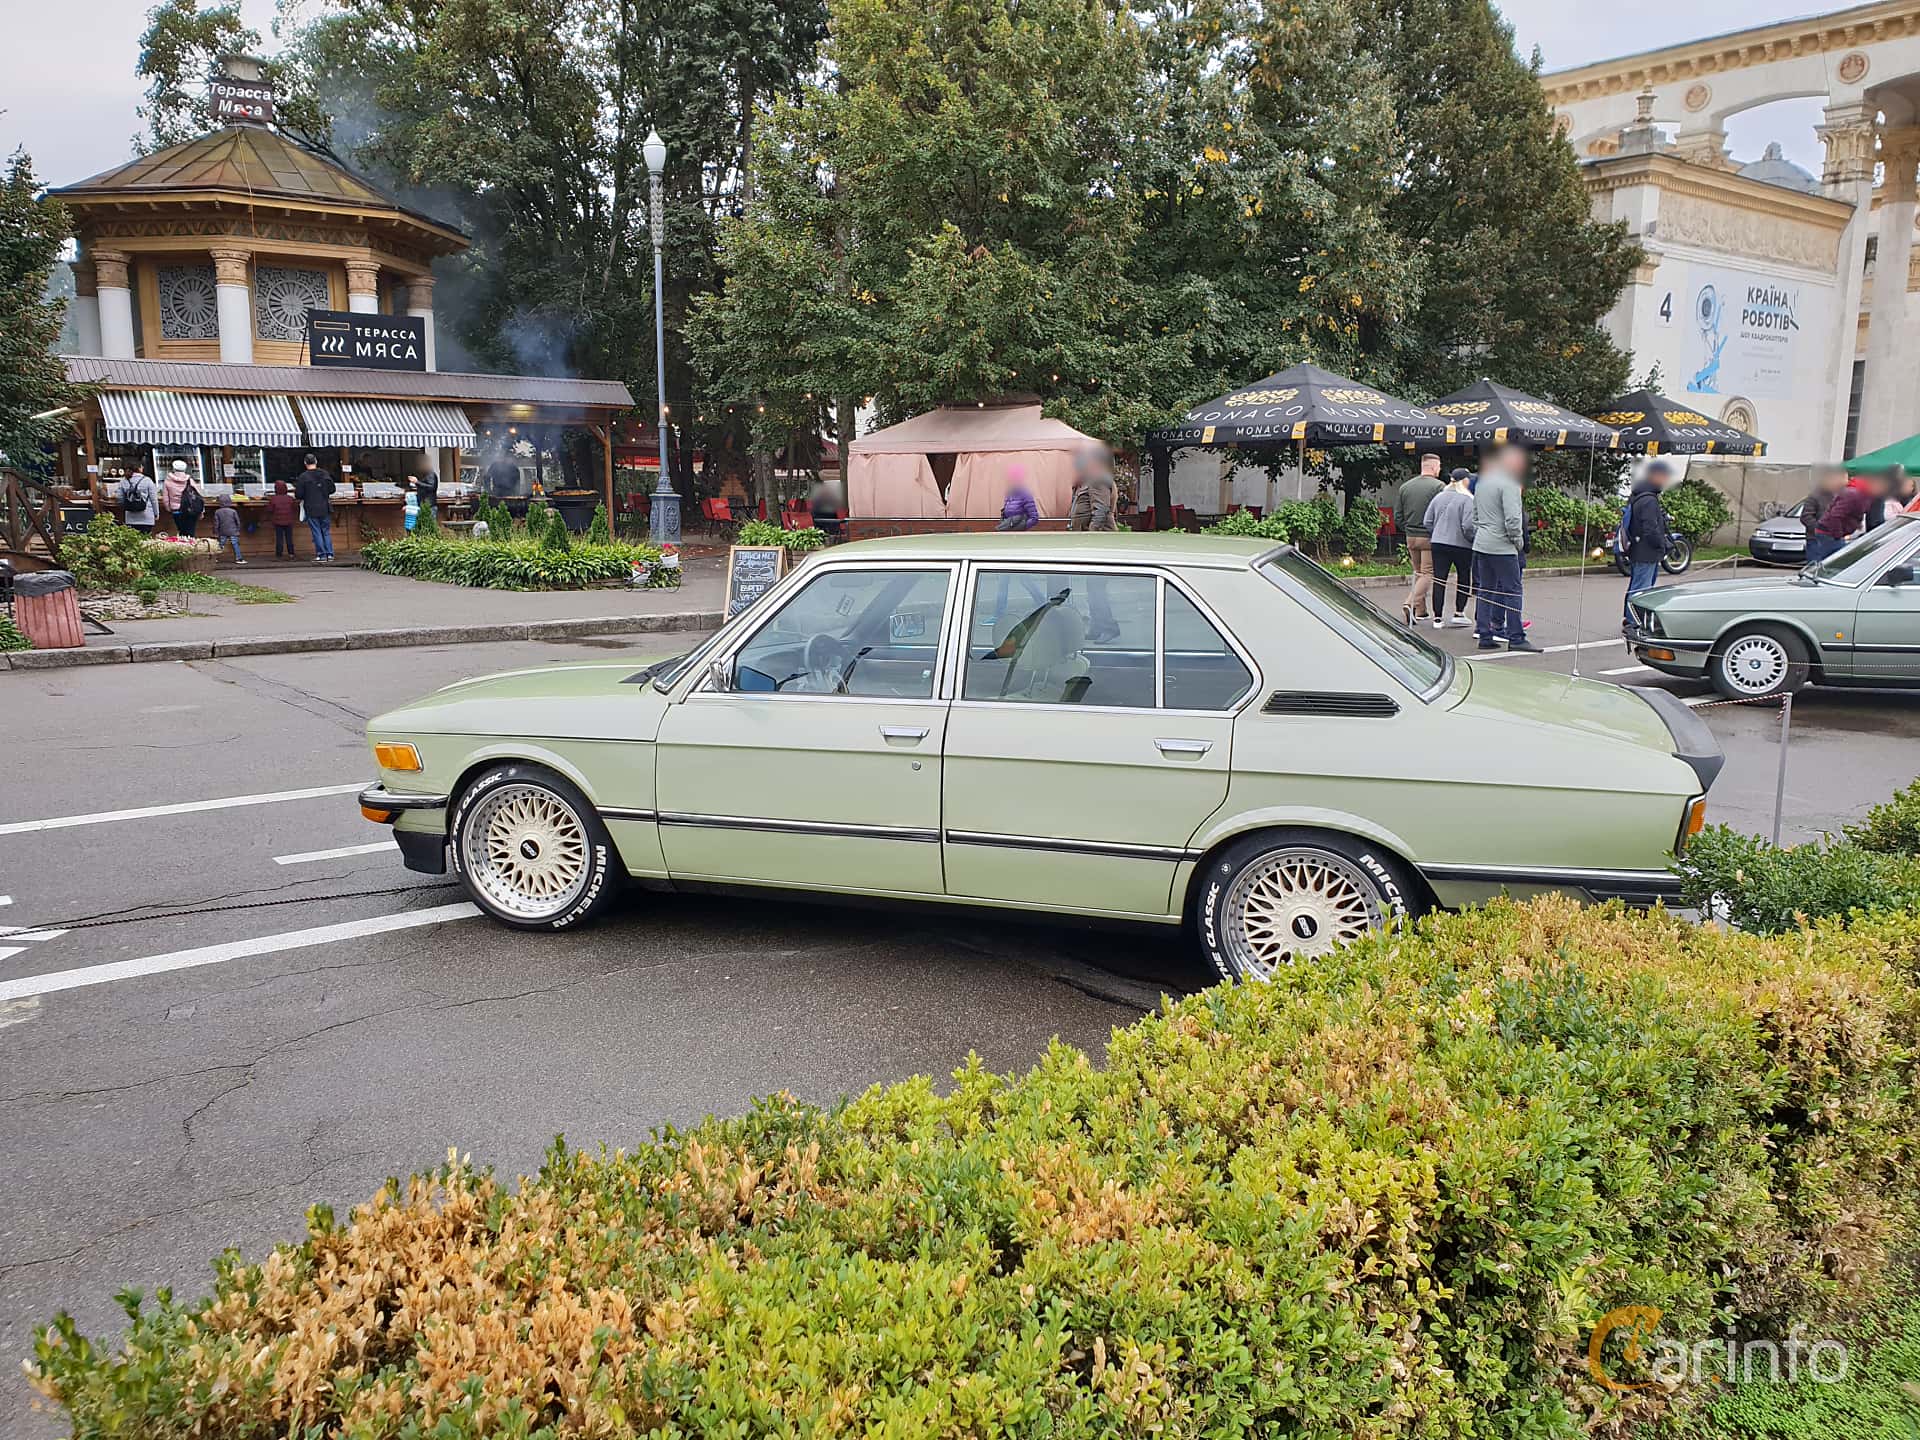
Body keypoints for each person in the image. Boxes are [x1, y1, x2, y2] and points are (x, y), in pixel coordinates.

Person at [1465, 443, 1535, 652]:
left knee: (1485, 590)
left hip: (1482, 543)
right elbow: (1513, 519)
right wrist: (1518, 541)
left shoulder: (1482, 483)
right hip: (1503, 546)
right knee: (1512, 590)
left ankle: (1484, 633)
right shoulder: (1510, 483)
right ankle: (1516, 637)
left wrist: (1483, 532)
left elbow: (1475, 517)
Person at [1620, 458, 1675, 626]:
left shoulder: (1639, 496)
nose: (1666, 480)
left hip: (1639, 549)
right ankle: (1633, 620)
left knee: (1638, 586)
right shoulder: (1649, 500)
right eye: (1664, 476)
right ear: (1655, 476)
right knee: (1641, 588)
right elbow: (1650, 528)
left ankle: (1632, 618)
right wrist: (1661, 544)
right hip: (1646, 551)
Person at [1394, 453, 1445, 625]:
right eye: (1439, 466)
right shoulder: (1439, 487)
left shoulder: (1405, 487)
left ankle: (1421, 611)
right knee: (1428, 574)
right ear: (1432, 466)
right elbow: (1442, 513)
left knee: (1418, 574)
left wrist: (1407, 529)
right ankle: (1409, 603)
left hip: (1411, 536)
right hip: (1428, 536)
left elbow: (1398, 516)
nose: (1440, 469)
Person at [1423, 468, 1475, 628]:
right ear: (1464, 481)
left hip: (1438, 543)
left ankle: (1437, 618)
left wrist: (1437, 533)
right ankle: (1459, 613)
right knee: (1464, 577)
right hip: (1461, 545)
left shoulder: (1438, 497)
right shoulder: (1467, 499)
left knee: (1439, 579)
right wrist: (1471, 539)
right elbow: (1468, 526)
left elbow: (1427, 521)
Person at [1813, 469, 1881, 562]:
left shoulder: (1858, 493)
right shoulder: (1853, 494)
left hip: (1830, 533)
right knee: (1834, 563)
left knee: (1832, 561)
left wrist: (1856, 523)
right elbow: (1835, 515)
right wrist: (1838, 534)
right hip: (1829, 534)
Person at [294, 453, 337, 563]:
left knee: (316, 531)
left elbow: (298, 494)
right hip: (324, 506)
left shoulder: (303, 477)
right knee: (326, 531)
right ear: (316, 461)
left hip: (311, 507)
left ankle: (321, 555)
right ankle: (330, 554)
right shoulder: (325, 474)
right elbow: (332, 489)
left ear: (305, 463)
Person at [1068, 442, 1118, 532]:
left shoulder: (1098, 479)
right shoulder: (1092, 479)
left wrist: (1092, 534)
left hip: (1097, 538)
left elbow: (1101, 511)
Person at [1800, 465, 1847, 559]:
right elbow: (1805, 517)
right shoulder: (1815, 496)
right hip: (1818, 541)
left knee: (1836, 568)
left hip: (1837, 539)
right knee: (1816, 568)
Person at [161, 460, 202, 537]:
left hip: (176, 510)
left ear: (173, 468)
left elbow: (165, 498)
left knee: (181, 531)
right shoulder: (190, 480)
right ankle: (191, 546)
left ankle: (183, 546)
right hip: (190, 509)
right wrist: (201, 511)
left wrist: (168, 508)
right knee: (191, 532)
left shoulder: (167, 481)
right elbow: (198, 497)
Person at [997, 466, 1040, 531]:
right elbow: (1006, 514)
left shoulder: (1026, 495)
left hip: (1020, 534)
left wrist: (1022, 527)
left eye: (1015, 479)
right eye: (1010, 479)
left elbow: (1034, 518)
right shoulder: (1009, 495)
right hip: (1008, 532)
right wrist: (1005, 524)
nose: (1011, 482)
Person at [263, 479, 298, 558]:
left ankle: (279, 554)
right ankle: (291, 553)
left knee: (279, 538)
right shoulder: (290, 498)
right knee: (289, 538)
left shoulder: (273, 499)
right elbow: (295, 508)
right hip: (289, 521)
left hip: (278, 521)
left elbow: (270, 509)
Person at [119, 464, 156, 534]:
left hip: (130, 517)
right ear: (139, 469)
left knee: (133, 541)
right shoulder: (147, 480)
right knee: (146, 540)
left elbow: (120, 498)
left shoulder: (124, 480)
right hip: (147, 517)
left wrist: (127, 506)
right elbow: (153, 499)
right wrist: (156, 514)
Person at [213, 493, 246, 565]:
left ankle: (215, 558)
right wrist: (238, 530)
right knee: (235, 544)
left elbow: (216, 523)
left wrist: (215, 532)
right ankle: (239, 558)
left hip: (222, 531)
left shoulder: (217, 512)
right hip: (233, 531)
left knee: (221, 545)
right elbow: (238, 522)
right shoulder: (233, 511)